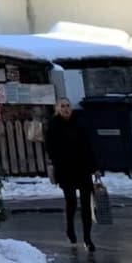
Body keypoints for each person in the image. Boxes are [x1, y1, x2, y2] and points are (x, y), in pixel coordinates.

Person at [43, 97, 97, 250]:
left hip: (83, 168)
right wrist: (58, 161)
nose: (66, 109)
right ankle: (70, 227)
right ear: (57, 109)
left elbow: (88, 145)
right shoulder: (53, 126)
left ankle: (87, 237)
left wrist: (94, 166)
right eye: (62, 106)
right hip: (66, 169)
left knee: (86, 203)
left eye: (68, 106)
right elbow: (50, 148)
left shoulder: (80, 123)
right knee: (71, 201)